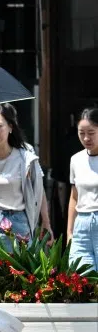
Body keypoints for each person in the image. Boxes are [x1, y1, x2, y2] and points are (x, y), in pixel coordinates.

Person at [0, 103, 51, 248]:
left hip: (19, 221)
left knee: (20, 269)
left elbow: (39, 191)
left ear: (10, 127)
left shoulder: (26, 159)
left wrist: (46, 222)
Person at [68, 107, 98, 271]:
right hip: (82, 225)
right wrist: (70, 233)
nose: (86, 138)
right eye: (81, 133)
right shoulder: (76, 160)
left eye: (91, 132)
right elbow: (74, 197)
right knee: (81, 277)